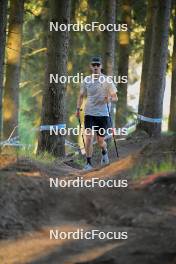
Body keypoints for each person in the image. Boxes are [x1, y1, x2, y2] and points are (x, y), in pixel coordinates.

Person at [76, 57, 118, 171]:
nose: (95, 67)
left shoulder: (107, 80)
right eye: (93, 65)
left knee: (100, 141)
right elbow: (81, 96)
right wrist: (78, 109)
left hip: (103, 114)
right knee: (88, 138)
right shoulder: (86, 80)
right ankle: (88, 163)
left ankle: (104, 152)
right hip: (89, 113)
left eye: (97, 65)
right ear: (90, 66)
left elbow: (115, 97)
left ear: (101, 67)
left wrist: (109, 98)